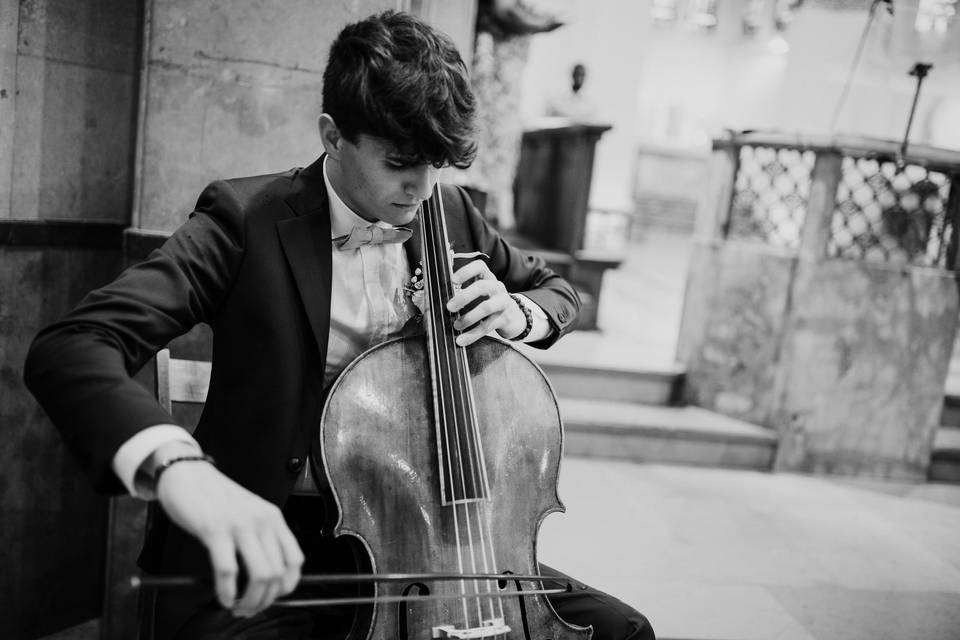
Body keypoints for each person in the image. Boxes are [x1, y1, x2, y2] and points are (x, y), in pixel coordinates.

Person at [24, 11, 653, 640]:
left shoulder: (451, 211)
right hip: (270, 540)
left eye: (439, 163)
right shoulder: (244, 220)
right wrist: (178, 469)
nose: (422, 188)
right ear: (332, 135)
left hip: (436, 544)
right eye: (401, 162)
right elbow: (74, 346)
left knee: (623, 630)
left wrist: (524, 313)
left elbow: (560, 291)